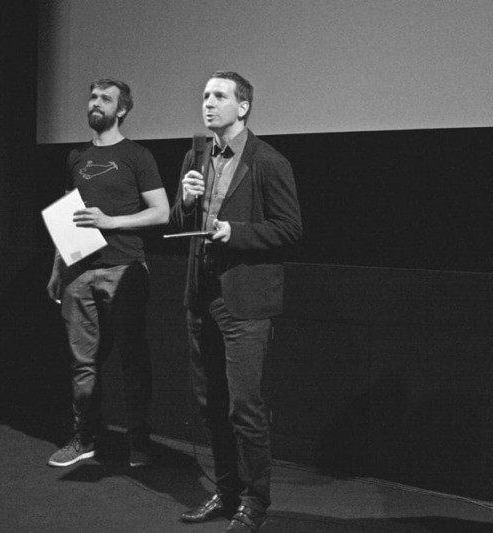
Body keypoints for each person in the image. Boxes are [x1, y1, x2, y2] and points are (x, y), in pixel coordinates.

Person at [170, 71, 302, 533]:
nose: (208, 103)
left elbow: (290, 228)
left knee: (244, 406)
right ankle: (225, 492)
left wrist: (235, 233)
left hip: (244, 300)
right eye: (204, 94)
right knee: (210, 403)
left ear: (242, 107)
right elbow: (179, 221)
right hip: (201, 293)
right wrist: (185, 201)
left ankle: (254, 501)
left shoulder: (268, 161)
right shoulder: (196, 155)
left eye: (219, 96)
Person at [46, 79, 169, 468]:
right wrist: (57, 267)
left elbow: (161, 211)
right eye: (93, 97)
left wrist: (110, 221)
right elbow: (70, 213)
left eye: (106, 99)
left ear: (122, 110)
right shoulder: (75, 157)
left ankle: (139, 442)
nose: (95, 103)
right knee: (83, 363)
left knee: (131, 359)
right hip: (78, 273)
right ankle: (85, 438)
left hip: (124, 269)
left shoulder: (137, 155)